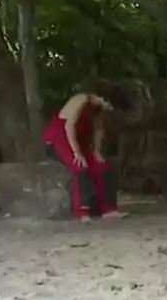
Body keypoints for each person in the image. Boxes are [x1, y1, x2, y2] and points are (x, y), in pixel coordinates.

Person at [41, 90, 127, 223]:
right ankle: (82, 211)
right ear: (105, 99)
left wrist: (96, 151)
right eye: (110, 106)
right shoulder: (82, 100)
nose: (110, 109)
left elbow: (99, 129)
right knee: (80, 166)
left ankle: (108, 209)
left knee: (103, 167)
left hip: (78, 139)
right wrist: (76, 152)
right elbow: (68, 126)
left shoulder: (98, 108)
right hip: (61, 137)